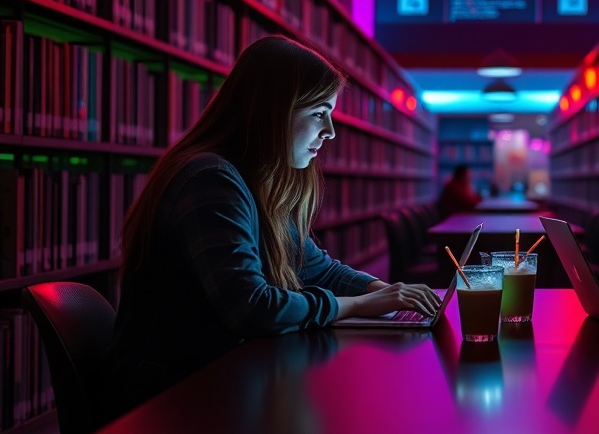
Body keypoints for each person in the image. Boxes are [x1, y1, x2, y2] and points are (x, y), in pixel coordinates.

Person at [99, 36, 441, 422]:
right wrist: (359, 305)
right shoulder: (211, 180)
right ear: (273, 111)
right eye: (319, 113)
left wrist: (385, 292)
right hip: (170, 401)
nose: (330, 131)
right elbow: (252, 307)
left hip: (217, 378)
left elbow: (316, 268)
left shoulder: (255, 181)